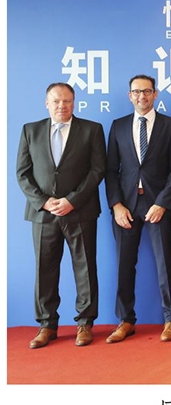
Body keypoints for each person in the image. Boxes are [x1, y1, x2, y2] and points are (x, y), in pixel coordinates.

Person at [16, 82, 106, 348]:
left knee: (85, 268)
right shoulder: (30, 130)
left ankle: (85, 323)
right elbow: (22, 173)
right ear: (47, 103)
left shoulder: (91, 130)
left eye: (67, 101)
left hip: (80, 211)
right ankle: (47, 325)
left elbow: (98, 170)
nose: (61, 106)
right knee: (44, 270)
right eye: (56, 101)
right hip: (43, 214)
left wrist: (71, 201)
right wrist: (44, 202)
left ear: (74, 102)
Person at [105, 74, 171, 343]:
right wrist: (116, 205)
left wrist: (162, 202)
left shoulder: (170, 126)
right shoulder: (118, 126)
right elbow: (110, 170)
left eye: (147, 91)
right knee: (124, 264)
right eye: (137, 92)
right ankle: (125, 320)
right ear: (130, 95)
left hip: (158, 204)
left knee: (165, 263)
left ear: (155, 94)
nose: (142, 96)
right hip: (126, 206)